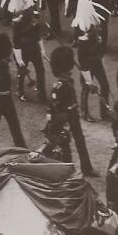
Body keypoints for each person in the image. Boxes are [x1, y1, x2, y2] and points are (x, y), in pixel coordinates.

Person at [47, 47, 98, 177]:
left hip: (73, 115)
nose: (70, 73)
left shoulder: (67, 81)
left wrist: (88, 84)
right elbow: (55, 107)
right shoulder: (58, 86)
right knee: (66, 145)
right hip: (65, 119)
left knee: (81, 142)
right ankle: (68, 170)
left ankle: (87, 168)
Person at [0, 32, 26, 147]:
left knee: (15, 127)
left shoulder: (2, 66)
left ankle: (22, 148)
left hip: (7, 99)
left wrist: (20, 74)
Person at [8, 0, 46, 103]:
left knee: (32, 69)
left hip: (29, 46)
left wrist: (42, 49)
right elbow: (17, 40)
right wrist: (42, 49)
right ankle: (23, 91)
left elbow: (18, 40)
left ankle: (37, 92)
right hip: (28, 46)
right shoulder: (28, 13)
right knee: (29, 70)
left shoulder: (21, 14)